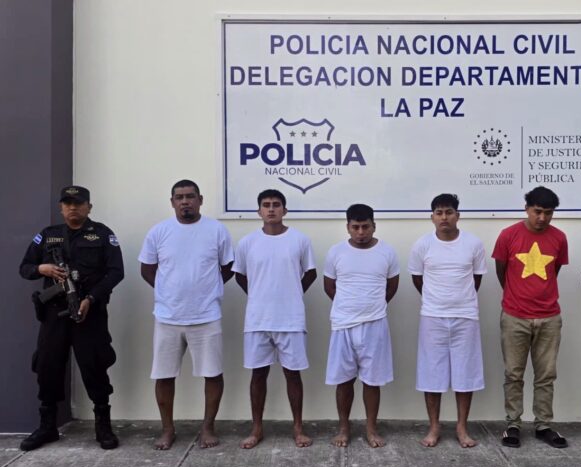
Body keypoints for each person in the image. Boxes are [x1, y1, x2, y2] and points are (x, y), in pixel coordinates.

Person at [19, 185, 124, 451]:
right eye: (67, 203)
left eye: (78, 203)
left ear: (89, 206)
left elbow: (116, 272)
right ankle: (47, 426)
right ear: (61, 208)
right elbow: (25, 268)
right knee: (48, 365)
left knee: (94, 365)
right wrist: (42, 268)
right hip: (54, 314)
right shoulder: (48, 235)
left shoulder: (102, 234)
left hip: (89, 312)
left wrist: (92, 298)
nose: (73, 208)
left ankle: (103, 425)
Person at [139, 179, 234, 450]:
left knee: (213, 373)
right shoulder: (159, 232)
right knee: (164, 375)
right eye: (179, 197)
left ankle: (208, 427)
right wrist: (168, 292)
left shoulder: (217, 230)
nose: (185, 202)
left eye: (190, 196)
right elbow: (147, 269)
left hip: (206, 315)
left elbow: (228, 267)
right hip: (168, 317)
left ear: (200, 200)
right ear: (172, 202)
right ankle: (167, 429)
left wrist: (207, 290)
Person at [233, 189, 317, 449]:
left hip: (291, 319)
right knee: (258, 374)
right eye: (266, 205)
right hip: (258, 319)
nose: (271, 209)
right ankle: (256, 428)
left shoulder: (299, 240)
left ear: (285, 210)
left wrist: (292, 294)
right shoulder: (247, 242)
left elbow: (310, 273)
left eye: (276, 204)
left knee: (293, 374)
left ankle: (298, 427)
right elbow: (239, 275)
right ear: (259, 211)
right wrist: (258, 295)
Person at [492, 186, 569, 448]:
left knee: (546, 375)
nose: (542, 218)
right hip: (514, 316)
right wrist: (516, 296)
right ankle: (513, 424)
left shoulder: (559, 238)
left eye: (548, 212)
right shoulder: (508, 235)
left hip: (549, 317)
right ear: (527, 209)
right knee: (514, 373)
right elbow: (501, 270)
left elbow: (554, 271)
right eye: (537, 211)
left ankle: (543, 424)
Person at [408, 194, 486, 448]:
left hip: (465, 316)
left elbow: (476, 279)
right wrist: (437, 301)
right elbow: (417, 278)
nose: (444, 217)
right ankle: (434, 427)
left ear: (457, 215)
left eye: (449, 212)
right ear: (432, 217)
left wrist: (459, 301)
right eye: (439, 213)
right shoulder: (422, 245)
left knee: (465, 373)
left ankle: (462, 427)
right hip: (432, 316)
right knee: (432, 373)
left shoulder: (473, 243)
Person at [324, 204, 399, 448]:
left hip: (375, 324)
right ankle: (343, 428)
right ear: (347, 227)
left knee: (372, 380)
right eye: (355, 227)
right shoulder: (336, 252)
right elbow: (329, 286)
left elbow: (392, 286)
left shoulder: (387, 252)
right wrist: (349, 308)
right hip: (343, 324)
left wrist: (372, 308)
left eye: (365, 226)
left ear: (374, 226)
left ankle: (371, 429)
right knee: (343, 380)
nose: (360, 232)